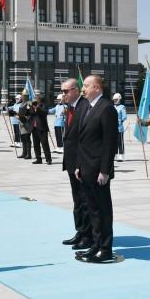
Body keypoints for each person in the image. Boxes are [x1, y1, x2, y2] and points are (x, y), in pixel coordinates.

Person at [74, 75, 119, 263]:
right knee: (92, 210)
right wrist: (78, 165)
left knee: (103, 210)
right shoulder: (88, 107)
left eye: (86, 85)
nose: (83, 89)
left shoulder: (106, 108)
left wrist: (105, 170)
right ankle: (95, 245)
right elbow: (82, 140)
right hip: (85, 168)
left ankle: (106, 249)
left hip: (98, 170)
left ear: (97, 88)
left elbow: (110, 142)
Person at [60, 78, 92, 250]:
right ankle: (80, 231)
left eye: (66, 91)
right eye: (62, 91)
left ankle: (87, 235)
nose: (63, 94)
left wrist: (80, 164)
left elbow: (83, 139)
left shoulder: (84, 107)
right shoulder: (71, 108)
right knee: (77, 199)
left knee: (84, 199)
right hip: (71, 162)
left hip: (81, 163)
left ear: (75, 90)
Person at [29, 95, 52, 165]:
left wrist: (37, 108)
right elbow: (30, 113)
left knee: (45, 144)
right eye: (34, 99)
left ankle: (48, 159)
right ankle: (38, 159)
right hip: (34, 128)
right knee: (36, 145)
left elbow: (45, 113)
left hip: (42, 129)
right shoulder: (33, 106)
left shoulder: (43, 106)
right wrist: (31, 107)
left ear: (39, 100)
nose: (35, 100)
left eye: (36, 99)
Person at [17, 92, 32, 159]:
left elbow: (30, 113)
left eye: (24, 96)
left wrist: (25, 118)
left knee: (27, 139)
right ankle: (24, 153)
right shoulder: (21, 104)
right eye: (22, 96)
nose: (22, 97)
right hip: (21, 123)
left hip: (27, 124)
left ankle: (29, 154)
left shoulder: (29, 103)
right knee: (23, 139)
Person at [113, 93, 127, 162]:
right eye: (114, 100)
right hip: (113, 128)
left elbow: (124, 116)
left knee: (120, 142)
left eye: (116, 99)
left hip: (120, 128)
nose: (115, 101)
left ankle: (121, 155)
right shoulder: (113, 107)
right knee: (114, 142)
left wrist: (120, 120)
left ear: (119, 99)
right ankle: (115, 155)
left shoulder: (122, 107)